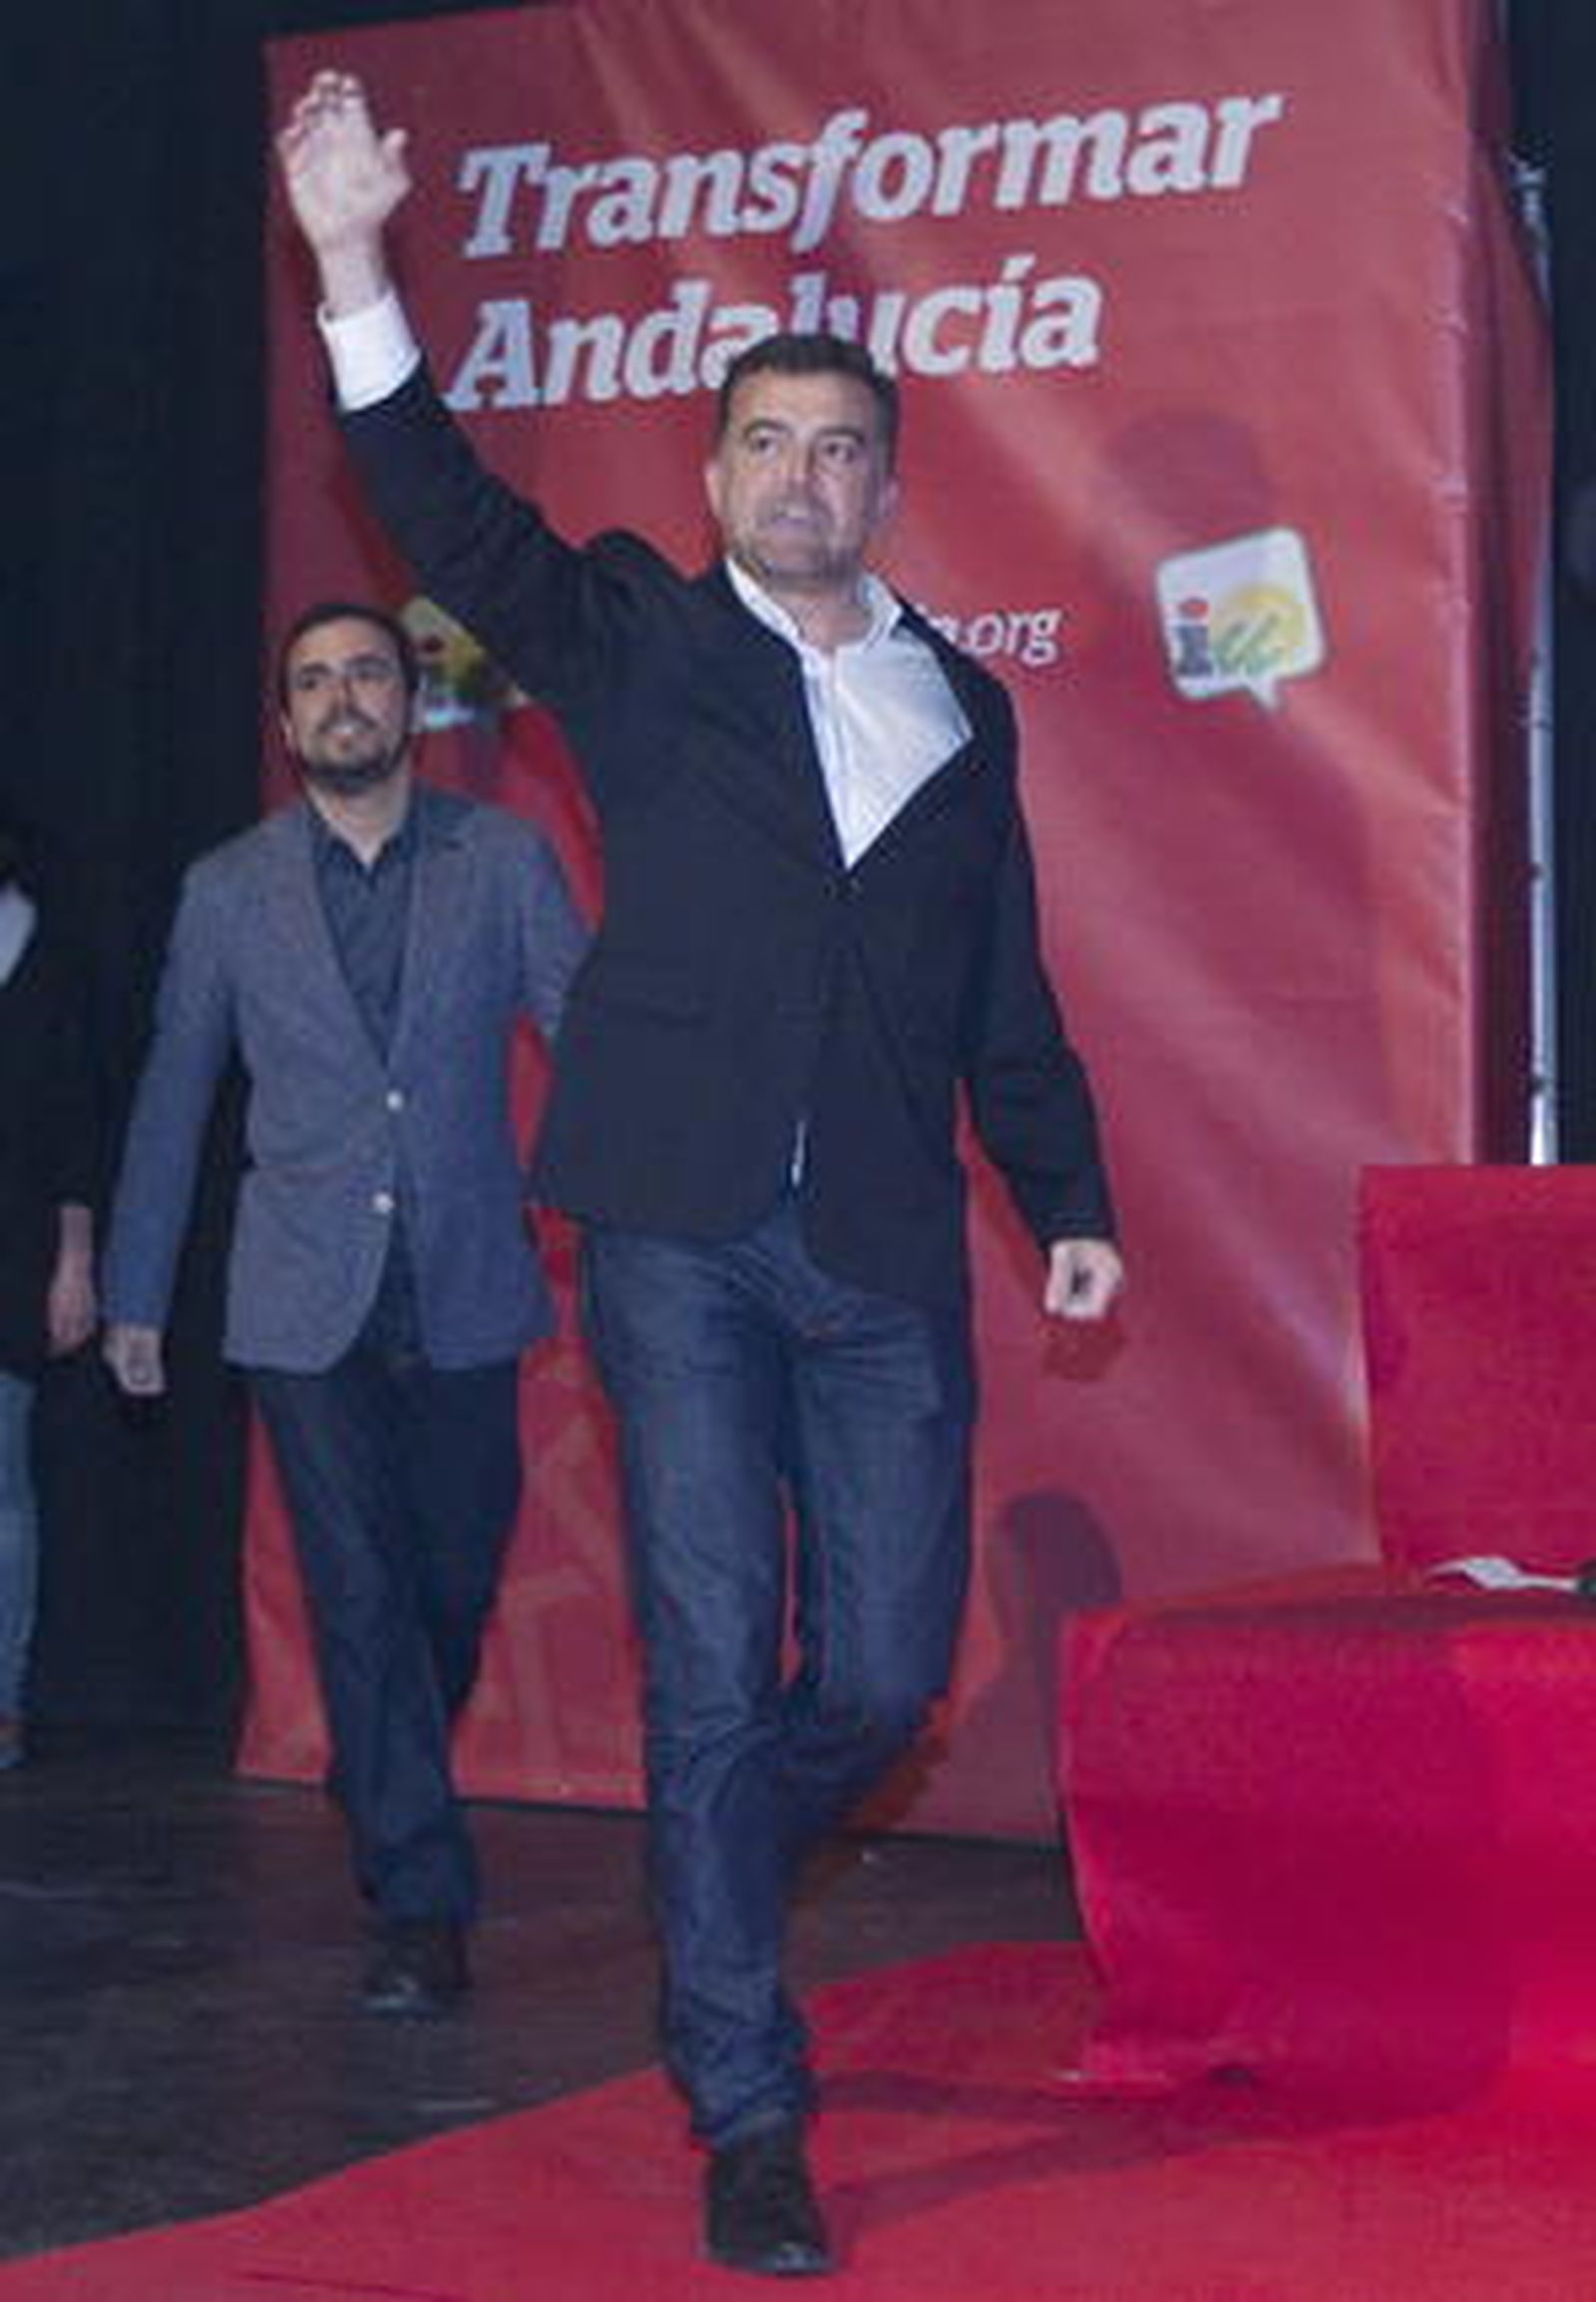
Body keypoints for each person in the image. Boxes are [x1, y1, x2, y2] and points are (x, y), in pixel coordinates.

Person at [279, 71, 1124, 2276]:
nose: (800, 475)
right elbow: (450, 519)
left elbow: (1000, 979)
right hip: (673, 1229)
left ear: (886, 485)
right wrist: (354, 262)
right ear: (716, 472)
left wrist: (1066, 1197)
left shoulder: (963, 708)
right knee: (709, 1660)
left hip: (878, 1244)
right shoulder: (646, 639)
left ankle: (712, 1866)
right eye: (764, 443)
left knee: (880, 1676)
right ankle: (747, 2094)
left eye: (838, 448)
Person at [101, 600, 587, 2015]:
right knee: (360, 1587)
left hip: (467, 1284)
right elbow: (175, 1094)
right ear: (286, 722)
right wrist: (137, 1291)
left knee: (451, 1581)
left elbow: (587, 1041)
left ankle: (381, 1762)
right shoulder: (228, 890)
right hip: (300, 1297)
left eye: (366, 673)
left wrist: (653, 1224)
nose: (342, 698)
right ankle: (420, 1904)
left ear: (410, 700)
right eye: (313, 682)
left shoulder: (501, 860)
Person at [0, 802, 98, 1770]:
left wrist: (75, 1261)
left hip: (12, 1251)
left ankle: (1, 1698)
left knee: (0, 1489)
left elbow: (76, 1126)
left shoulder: (45, 960)